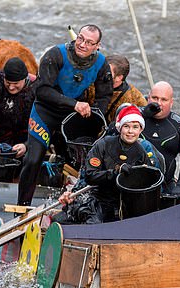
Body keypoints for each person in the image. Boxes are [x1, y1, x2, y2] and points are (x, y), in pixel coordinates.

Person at [17, 24, 113, 207]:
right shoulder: (55, 55)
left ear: (97, 46)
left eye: (89, 42)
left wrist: (95, 116)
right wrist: (74, 104)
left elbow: (105, 95)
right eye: (80, 38)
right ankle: (21, 207)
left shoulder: (101, 64)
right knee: (33, 160)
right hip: (45, 112)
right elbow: (42, 90)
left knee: (80, 164)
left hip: (71, 117)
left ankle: (73, 206)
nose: (82, 44)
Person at [56, 105, 159, 224]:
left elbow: (146, 185)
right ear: (120, 127)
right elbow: (90, 176)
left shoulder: (142, 152)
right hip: (94, 196)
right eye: (126, 126)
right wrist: (115, 173)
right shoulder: (103, 145)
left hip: (119, 201)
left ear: (141, 130)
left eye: (135, 127)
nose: (130, 131)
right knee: (92, 217)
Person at [139, 81, 180, 196]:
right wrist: (142, 115)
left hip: (165, 185)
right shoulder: (135, 117)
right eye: (155, 98)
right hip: (133, 183)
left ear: (171, 103)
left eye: (164, 100)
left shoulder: (179, 125)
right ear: (148, 98)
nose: (158, 104)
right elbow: (113, 134)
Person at [85, 54, 147, 123]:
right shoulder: (90, 83)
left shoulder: (134, 98)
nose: (101, 73)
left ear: (119, 78)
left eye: (107, 71)